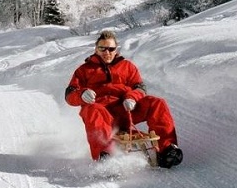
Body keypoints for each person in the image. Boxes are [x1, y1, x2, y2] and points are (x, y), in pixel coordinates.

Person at [65, 29, 183, 168]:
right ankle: (106, 156)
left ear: (116, 50)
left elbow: (140, 87)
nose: (107, 52)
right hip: (102, 114)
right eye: (102, 48)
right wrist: (82, 95)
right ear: (96, 49)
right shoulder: (84, 70)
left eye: (111, 48)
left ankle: (167, 150)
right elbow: (69, 95)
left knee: (157, 103)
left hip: (126, 110)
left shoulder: (127, 66)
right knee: (92, 109)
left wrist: (132, 97)